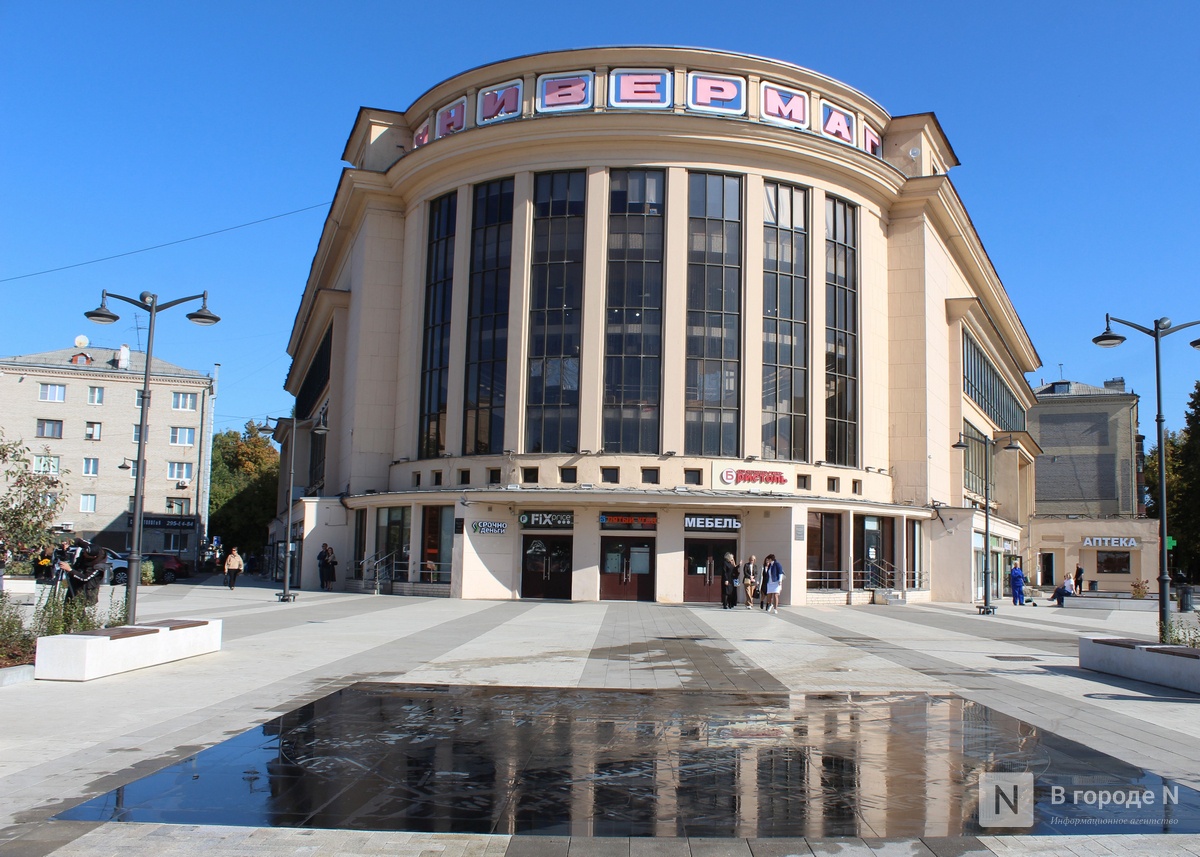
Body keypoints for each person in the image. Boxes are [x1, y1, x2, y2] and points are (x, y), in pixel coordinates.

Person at [65, 539, 103, 607]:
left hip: (85, 589)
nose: (84, 554)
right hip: (75, 582)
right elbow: (79, 541)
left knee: (78, 609)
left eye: (86, 554)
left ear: (93, 557)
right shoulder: (91, 548)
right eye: (84, 551)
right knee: (67, 604)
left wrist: (70, 570)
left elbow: (85, 578)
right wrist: (68, 543)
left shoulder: (97, 565)